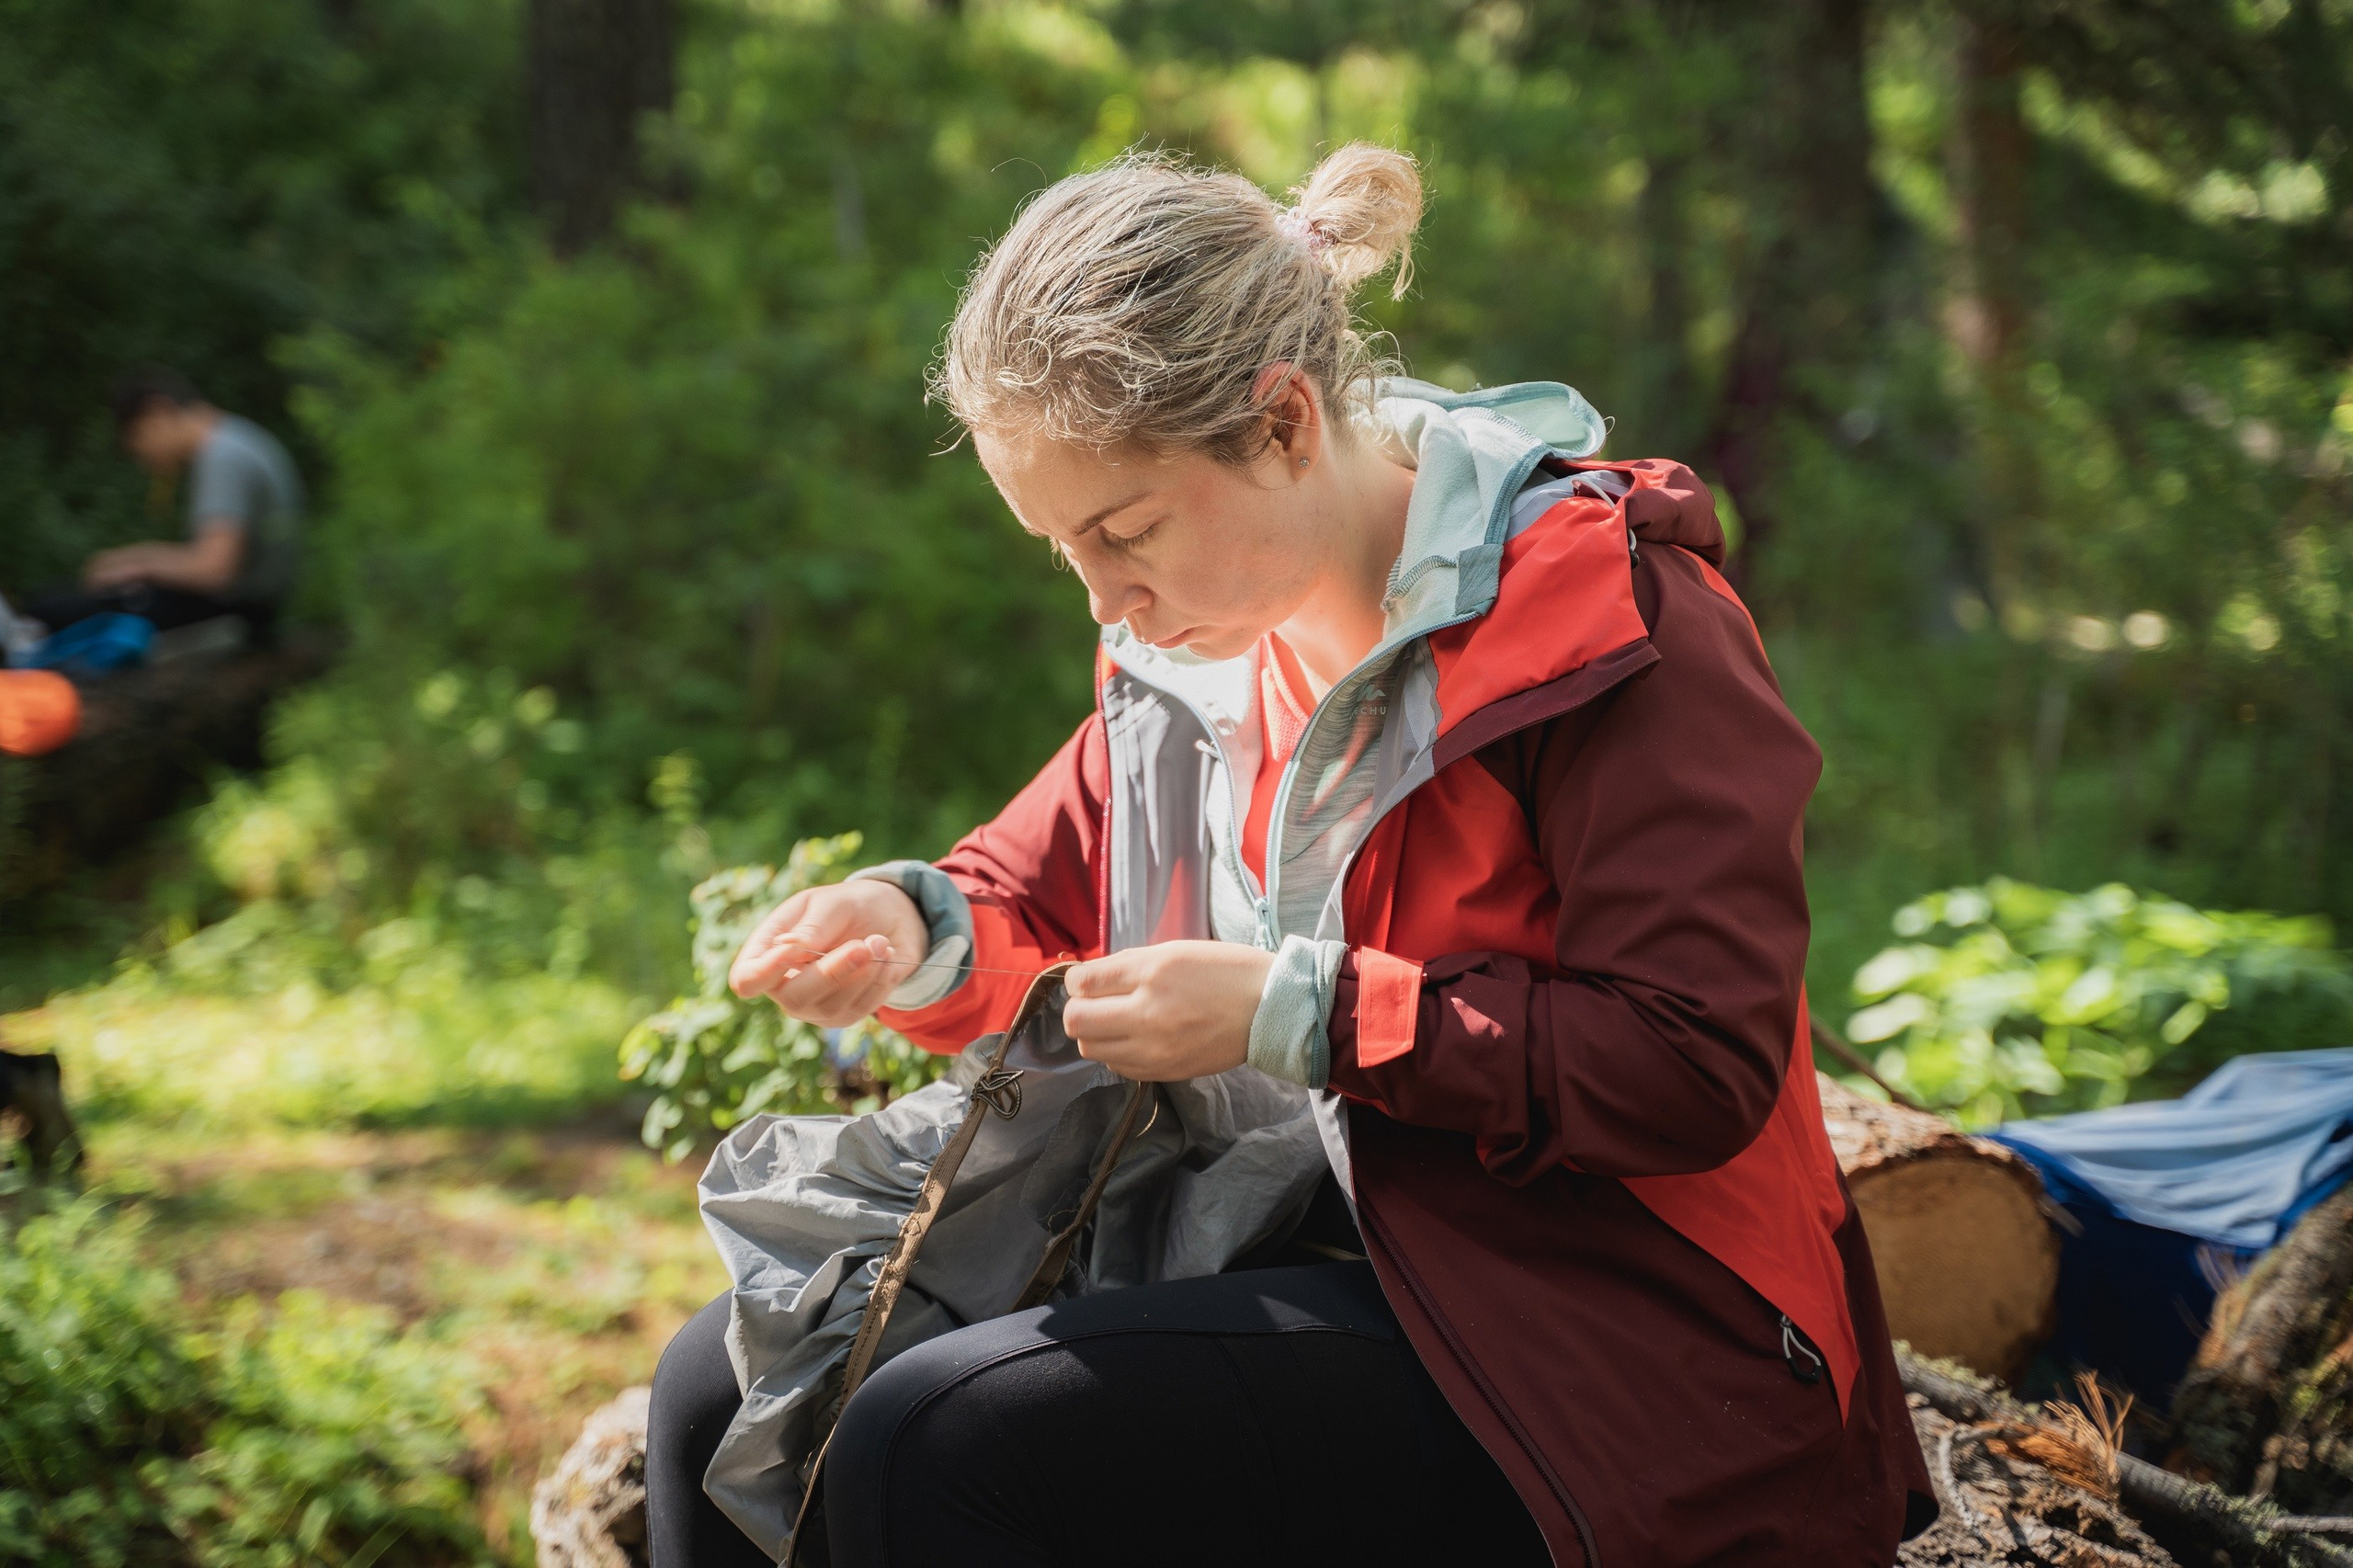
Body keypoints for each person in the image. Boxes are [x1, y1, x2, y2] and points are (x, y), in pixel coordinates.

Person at [648, 144, 1937, 1568]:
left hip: (1628, 1331)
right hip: (1304, 1250)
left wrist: (1303, 1012)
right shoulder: (1192, 657)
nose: (1107, 598)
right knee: (715, 1393)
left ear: (1282, 423)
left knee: (941, 1435)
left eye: (1126, 530)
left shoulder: (1612, 626)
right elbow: (1037, 892)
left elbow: (1691, 1063)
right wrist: (908, 927)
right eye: (1063, 549)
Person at [22, 367, 304, 641]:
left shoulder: (222, 457)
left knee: (51, 607)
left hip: (238, 612)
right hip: (254, 605)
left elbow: (215, 570)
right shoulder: (239, 438)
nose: (144, 459)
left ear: (157, 411)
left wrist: (134, 563)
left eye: (139, 438)